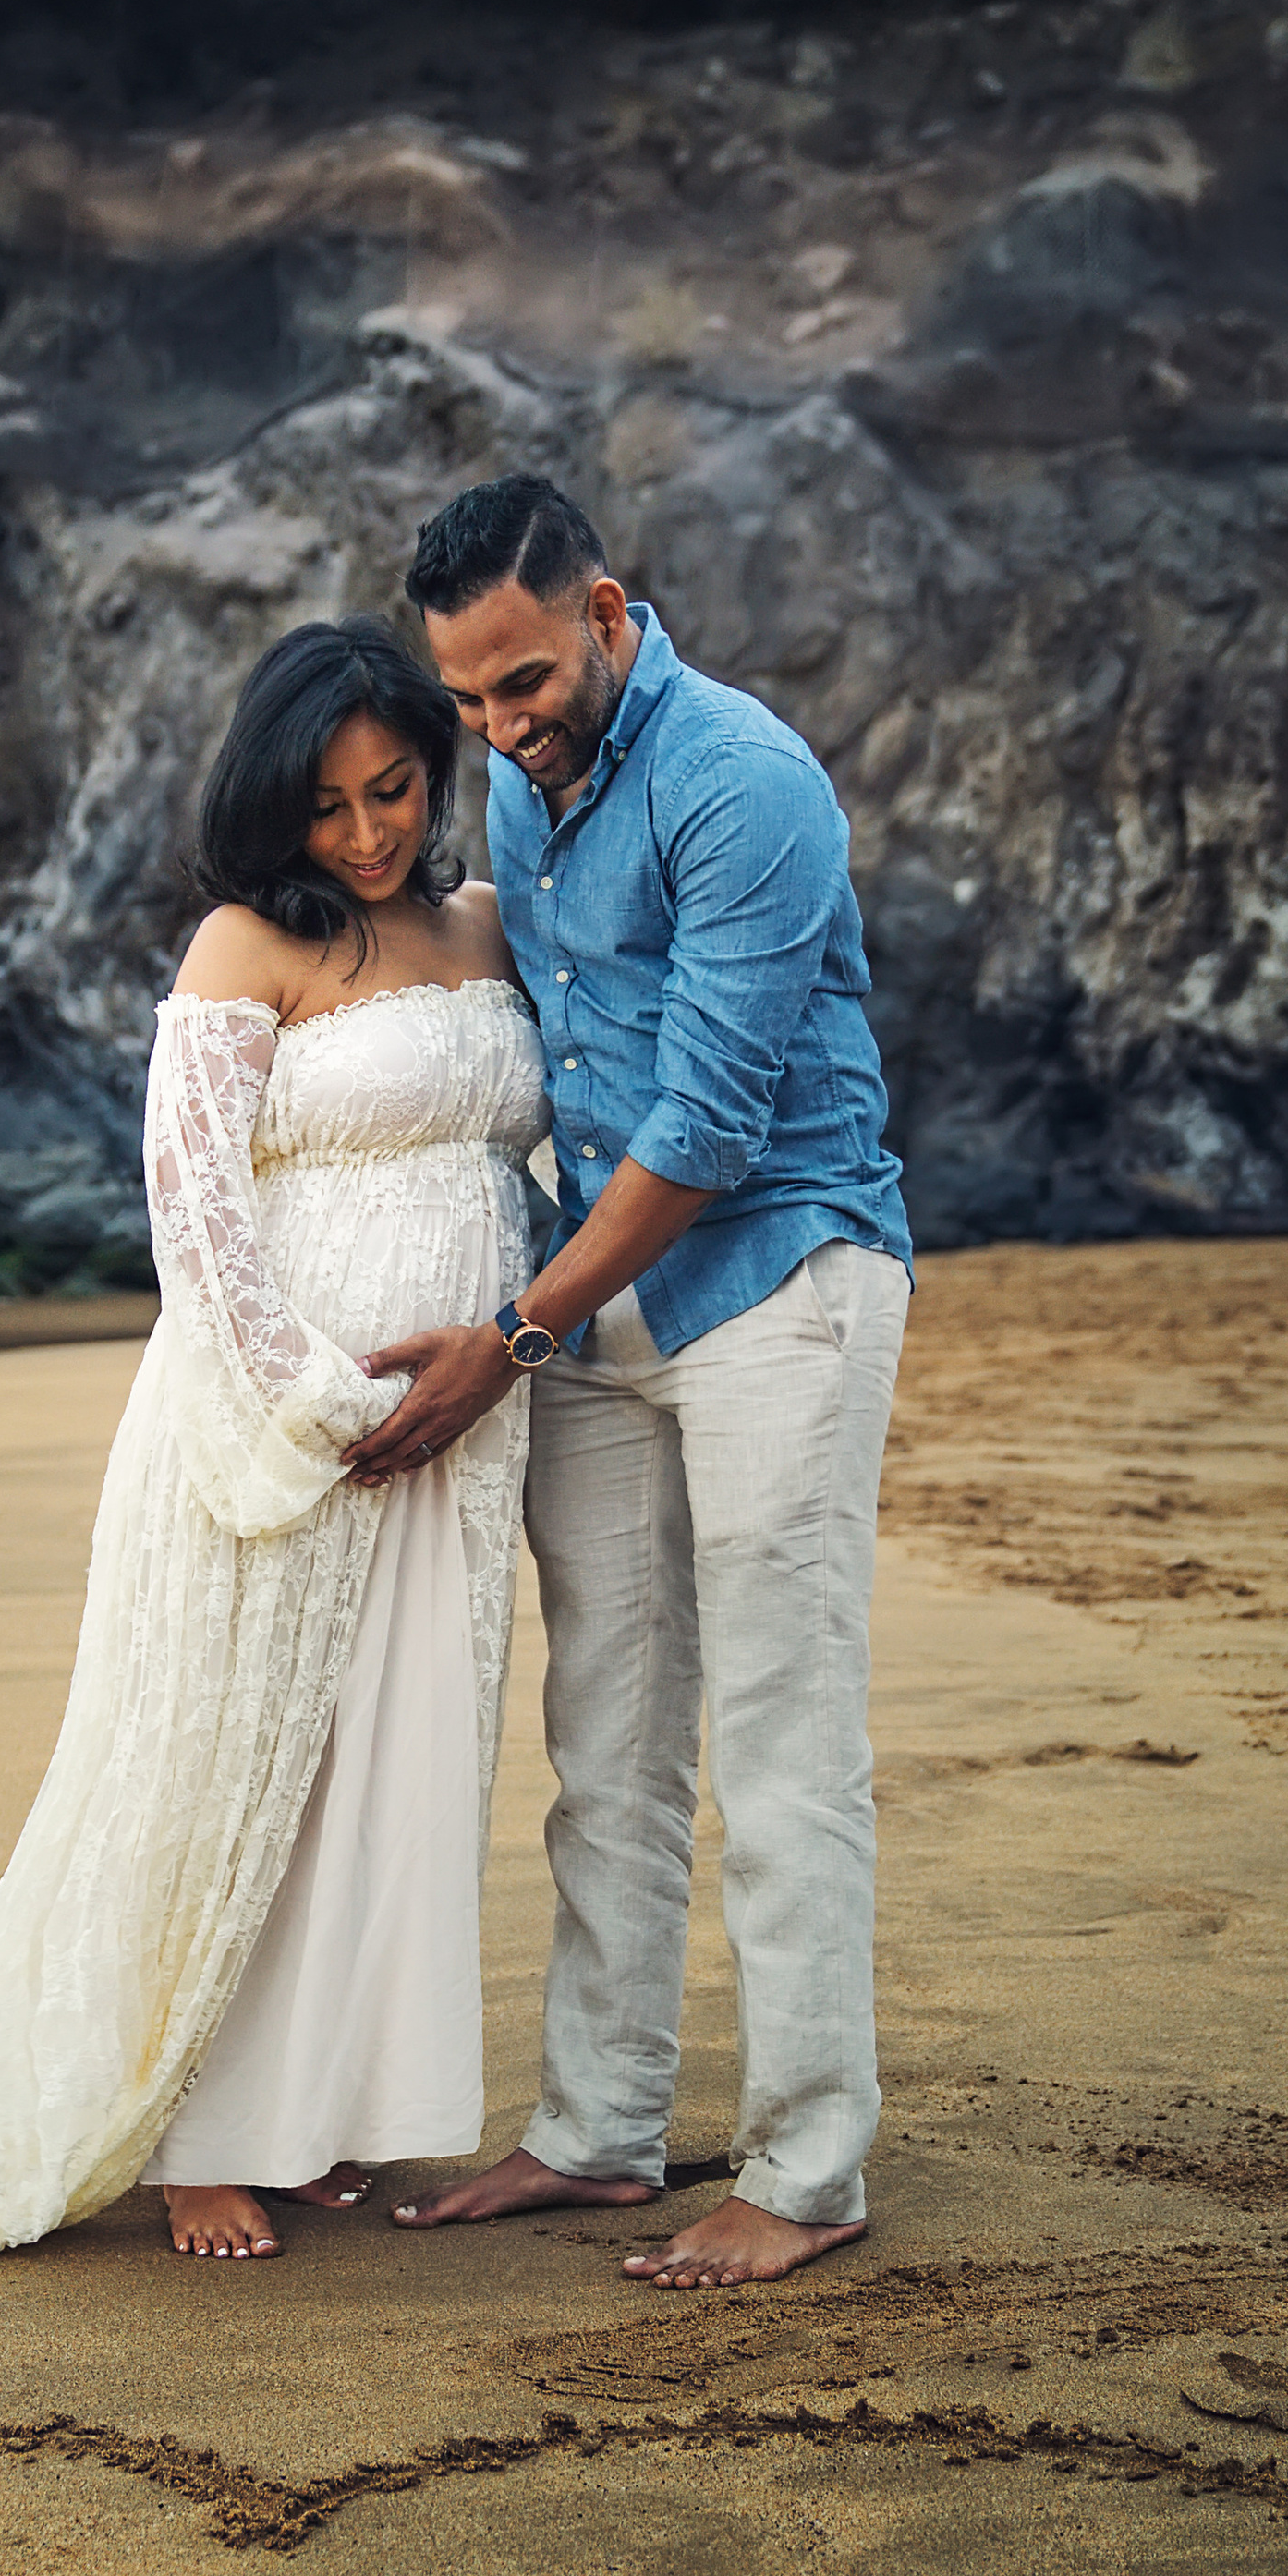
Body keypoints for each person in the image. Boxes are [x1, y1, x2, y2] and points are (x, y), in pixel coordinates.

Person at [0, 615, 545, 2264]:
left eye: (394, 790)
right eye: (328, 807)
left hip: (465, 1431)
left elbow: (527, 1158)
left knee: (393, 1769)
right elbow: (194, 1216)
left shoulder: (487, 930)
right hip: (287, 1435)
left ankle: (313, 2111)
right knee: (221, 1763)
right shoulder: (241, 947)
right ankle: (196, 2130)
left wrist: (496, 1356)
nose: (367, 834)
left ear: (434, 761)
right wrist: (323, 1405)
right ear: (276, 808)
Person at [346, 475, 914, 2292]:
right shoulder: (514, 773)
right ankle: (596, 2131)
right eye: (469, 701)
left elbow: (708, 1125)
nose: (499, 729)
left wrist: (506, 1332)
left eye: (522, 682)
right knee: (605, 1744)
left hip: (776, 1284)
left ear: (603, 607)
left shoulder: (741, 779)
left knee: (779, 1736)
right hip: (598, 1311)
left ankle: (805, 2169)